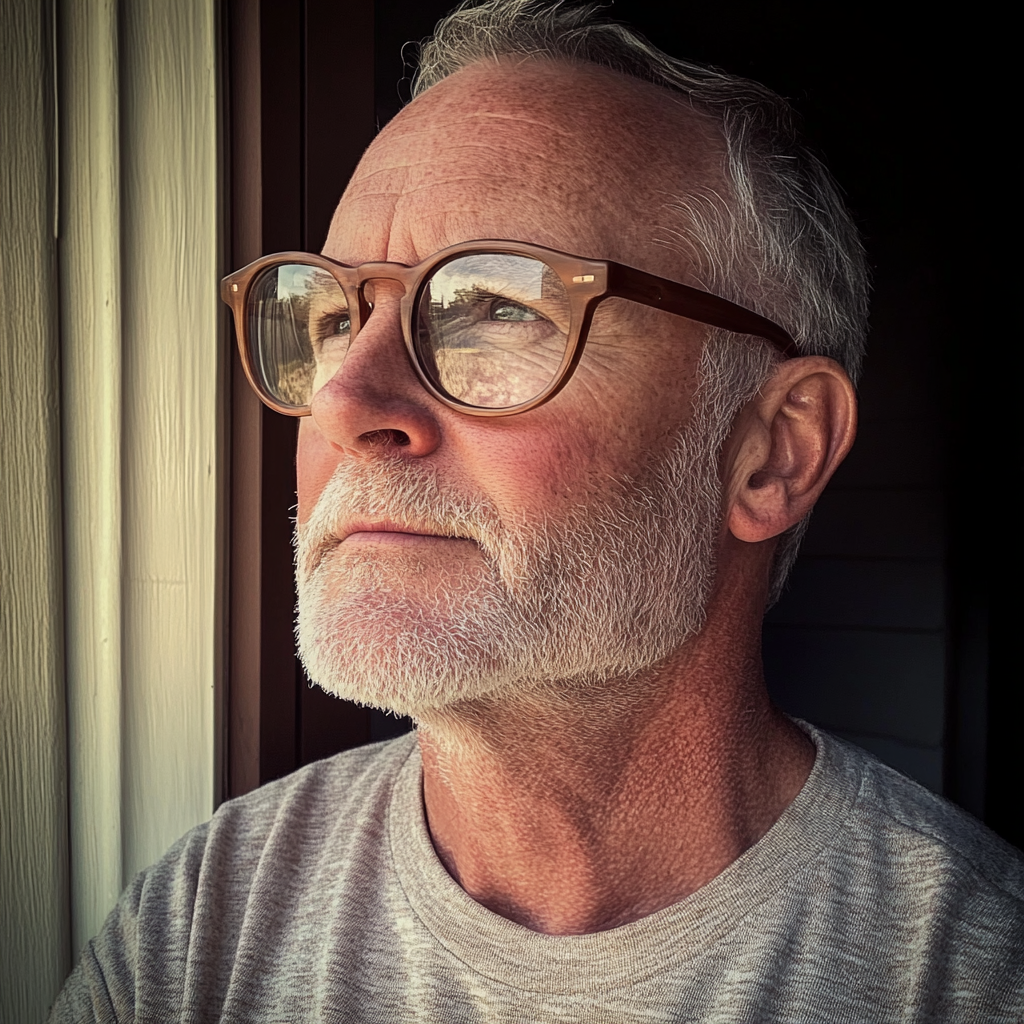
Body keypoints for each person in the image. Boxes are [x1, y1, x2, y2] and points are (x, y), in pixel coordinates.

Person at [50, 1, 1024, 1020]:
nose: (342, 400)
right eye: (336, 317)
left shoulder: (969, 975)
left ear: (772, 452)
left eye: (496, 308)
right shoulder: (205, 922)